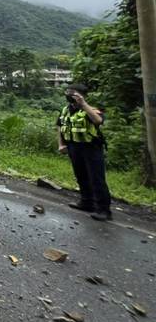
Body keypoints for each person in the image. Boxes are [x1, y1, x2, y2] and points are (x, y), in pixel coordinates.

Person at [57, 83, 112, 221]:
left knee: (96, 178)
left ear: (82, 95)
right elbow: (60, 126)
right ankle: (86, 202)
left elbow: (98, 120)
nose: (70, 95)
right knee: (81, 176)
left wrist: (83, 104)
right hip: (73, 147)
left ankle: (103, 210)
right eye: (68, 92)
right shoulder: (65, 110)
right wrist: (61, 144)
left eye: (73, 93)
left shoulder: (90, 110)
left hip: (90, 147)